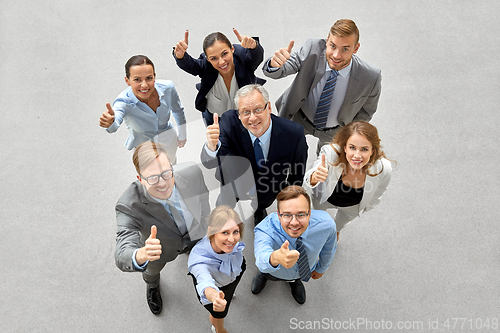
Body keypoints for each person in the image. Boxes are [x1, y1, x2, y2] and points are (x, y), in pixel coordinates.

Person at [114, 141, 210, 315]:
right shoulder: (128, 206)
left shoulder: (192, 172)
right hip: (159, 252)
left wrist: (204, 224)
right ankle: (152, 286)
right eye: (152, 178)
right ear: (140, 179)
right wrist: (142, 254)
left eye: (166, 173)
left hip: (194, 234)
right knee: (152, 271)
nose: (163, 183)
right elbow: (121, 254)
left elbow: (203, 199)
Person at [262, 19, 381, 151]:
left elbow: (366, 111)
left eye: (345, 49)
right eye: (333, 46)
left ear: (356, 48)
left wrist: (349, 132)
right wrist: (275, 65)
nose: (336, 55)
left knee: (327, 165)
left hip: (336, 131)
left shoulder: (371, 76)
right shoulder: (312, 48)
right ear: (327, 40)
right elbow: (287, 66)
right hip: (298, 117)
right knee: (285, 153)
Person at [201, 84, 308, 225]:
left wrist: (290, 200)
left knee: (260, 204)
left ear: (269, 108)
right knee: (224, 206)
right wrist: (211, 146)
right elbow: (209, 163)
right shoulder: (228, 122)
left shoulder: (294, 133)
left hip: (268, 189)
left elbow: (296, 174)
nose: (252, 118)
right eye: (245, 112)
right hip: (233, 184)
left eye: (258, 110)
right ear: (238, 115)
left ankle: (259, 210)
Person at [303, 121, 392, 239]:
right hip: (324, 199)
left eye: (364, 149)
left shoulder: (383, 168)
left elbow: (379, 191)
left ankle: (336, 231)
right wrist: (314, 177)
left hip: (353, 207)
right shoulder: (330, 153)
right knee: (318, 218)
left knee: (339, 224)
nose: (357, 155)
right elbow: (311, 175)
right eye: (352, 147)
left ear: (372, 151)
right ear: (345, 147)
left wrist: (366, 207)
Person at [252, 185, 337, 304]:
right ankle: (264, 276)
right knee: (267, 272)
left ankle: (295, 281)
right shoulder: (265, 229)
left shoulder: (327, 225)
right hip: (275, 271)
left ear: (309, 213)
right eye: (287, 215)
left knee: (295, 278)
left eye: (301, 214)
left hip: (304, 270)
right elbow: (261, 256)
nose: (294, 223)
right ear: (278, 214)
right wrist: (275, 257)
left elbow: (329, 250)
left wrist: (321, 268)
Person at [99, 55, 187, 163]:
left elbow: (178, 111)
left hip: (168, 140)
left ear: (154, 76)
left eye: (149, 78)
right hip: (144, 149)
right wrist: (110, 122)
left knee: (172, 166)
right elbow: (115, 122)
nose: (144, 85)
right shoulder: (123, 102)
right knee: (151, 176)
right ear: (127, 80)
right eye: (137, 79)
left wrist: (182, 134)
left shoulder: (168, 88)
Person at [173, 29, 266, 126]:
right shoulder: (206, 66)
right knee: (216, 139)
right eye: (214, 58)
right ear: (208, 59)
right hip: (214, 117)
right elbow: (191, 65)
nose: (221, 62)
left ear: (232, 49)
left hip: (244, 116)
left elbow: (256, 58)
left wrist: (254, 46)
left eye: (224, 54)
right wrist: (181, 56)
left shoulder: (243, 58)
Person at [188, 206, 246, 333]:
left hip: (234, 273)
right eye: (224, 232)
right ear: (211, 232)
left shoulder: (227, 245)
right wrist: (215, 297)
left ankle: (230, 292)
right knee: (219, 314)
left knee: (231, 290)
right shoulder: (198, 260)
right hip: (218, 288)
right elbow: (205, 282)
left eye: (235, 232)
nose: (232, 239)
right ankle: (219, 330)